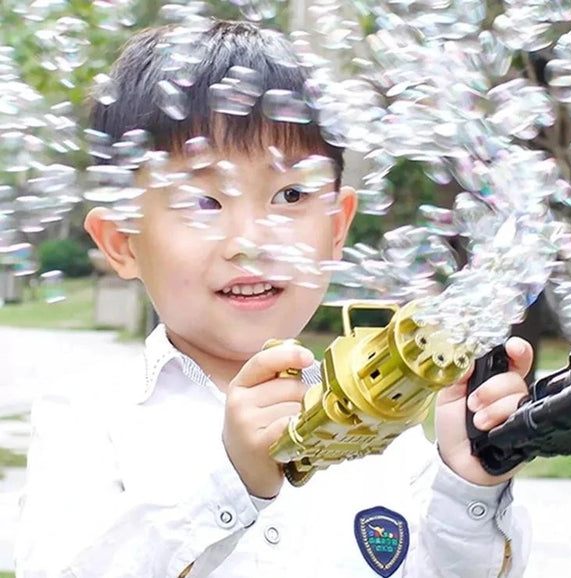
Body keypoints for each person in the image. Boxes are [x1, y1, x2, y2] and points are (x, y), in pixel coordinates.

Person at [15, 21, 533, 577]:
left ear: (338, 227)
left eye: (289, 194)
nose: (251, 241)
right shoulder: (89, 419)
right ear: (121, 242)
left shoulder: (381, 419)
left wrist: (466, 482)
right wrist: (230, 482)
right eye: (202, 200)